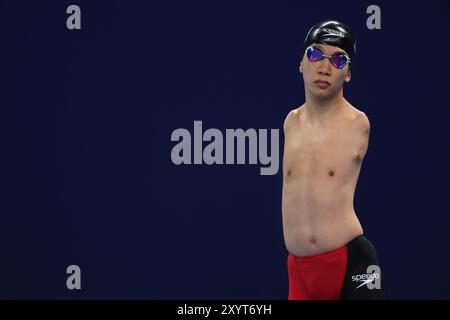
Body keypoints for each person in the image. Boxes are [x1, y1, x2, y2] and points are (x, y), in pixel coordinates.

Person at [282, 19, 384, 300]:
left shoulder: (357, 123)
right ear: (301, 63)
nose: (325, 67)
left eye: (339, 60)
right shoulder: (291, 122)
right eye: (315, 54)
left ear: (348, 73)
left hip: (350, 263)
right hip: (299, 271)